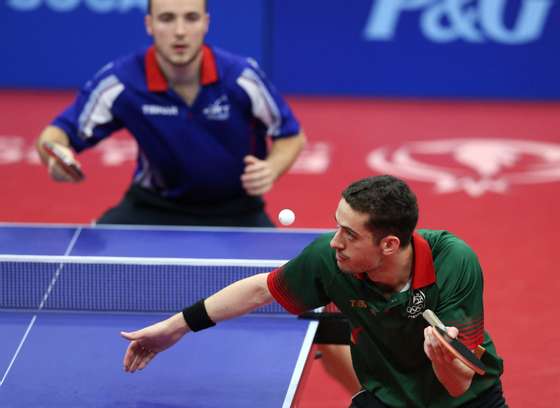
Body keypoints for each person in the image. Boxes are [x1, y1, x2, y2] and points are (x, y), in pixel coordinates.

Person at [120, 175, 507, 408]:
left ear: (389, 244)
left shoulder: (454, 262)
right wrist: (175, 327)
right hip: (388, 398)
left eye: (350, 235)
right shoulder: (328, 258)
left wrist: (441, 356)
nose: (335, 241)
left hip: (470, 401)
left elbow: (459, 383)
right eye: (337, 226)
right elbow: (259, 290)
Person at [35, 0, 305, 227]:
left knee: (270, 286)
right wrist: (55, 158)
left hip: (237, 209)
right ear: (149, 24)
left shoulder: (241, 77)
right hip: (153, 206)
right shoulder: (122, 82)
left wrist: (271, 168)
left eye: (190, 18)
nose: (179, 31)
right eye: (166, 19)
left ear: (205, 23)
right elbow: (56, 135)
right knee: (88, 270)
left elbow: (291, 136)